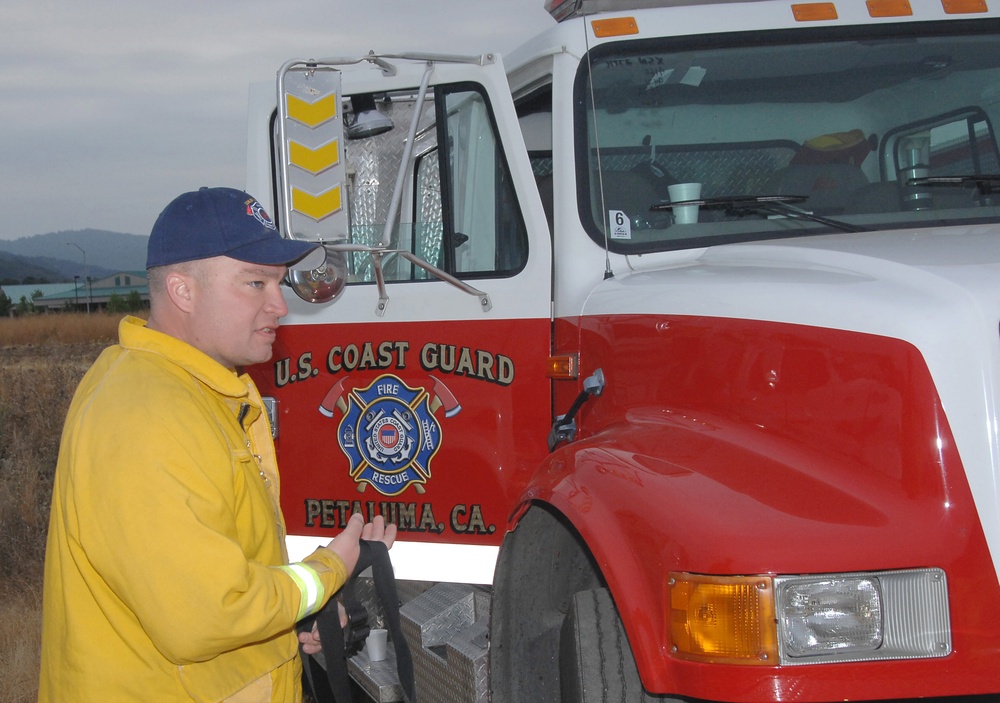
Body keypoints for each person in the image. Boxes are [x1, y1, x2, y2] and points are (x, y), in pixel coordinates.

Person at [38, 187, 395, 702]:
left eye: (278, 283)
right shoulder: (146, 414)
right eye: (255, 283)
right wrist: (326, 570)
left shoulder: (192, 390)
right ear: (183, 291)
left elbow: (213, 571)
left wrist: (293, 621)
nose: (279, 305)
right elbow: (206, 613)